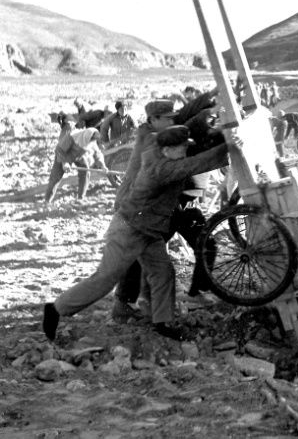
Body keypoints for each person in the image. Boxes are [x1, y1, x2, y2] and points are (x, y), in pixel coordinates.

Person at [42, 125, 231, 342]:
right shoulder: (161, 168)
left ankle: (162, 322)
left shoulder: (163, 156)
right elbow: (194, 165)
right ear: (167, 150)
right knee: (105, 279)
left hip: (148, 230)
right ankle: (56, 309)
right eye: (180, 149)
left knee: (163, 273)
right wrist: (230, 147)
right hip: (129, 230)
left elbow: (192, 156)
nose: (184, 152)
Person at [112, 93, 218, 319]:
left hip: (177, 201)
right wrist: (208, 116)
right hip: (154, 205)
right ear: (154, 118)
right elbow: (189, 124)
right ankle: (125, 302)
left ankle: (194, 292)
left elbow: (185, 115)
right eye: (168, 118)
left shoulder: (163, 128)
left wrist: (212, 95)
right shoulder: (152, 137)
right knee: (143, 252)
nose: (174, 120)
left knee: (205, 244)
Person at [44, 116, 109, 204]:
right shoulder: (73, 136)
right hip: (63, 155)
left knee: (85, 172)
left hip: (78, 156)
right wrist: (65, 163)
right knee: (55, 178)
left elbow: (98, 155)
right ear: (88, 136)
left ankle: (80, 198)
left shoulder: (92, 140)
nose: (93, 141)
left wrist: (103, 166)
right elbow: (59, 150)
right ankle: (47, 201)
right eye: (92, 139)